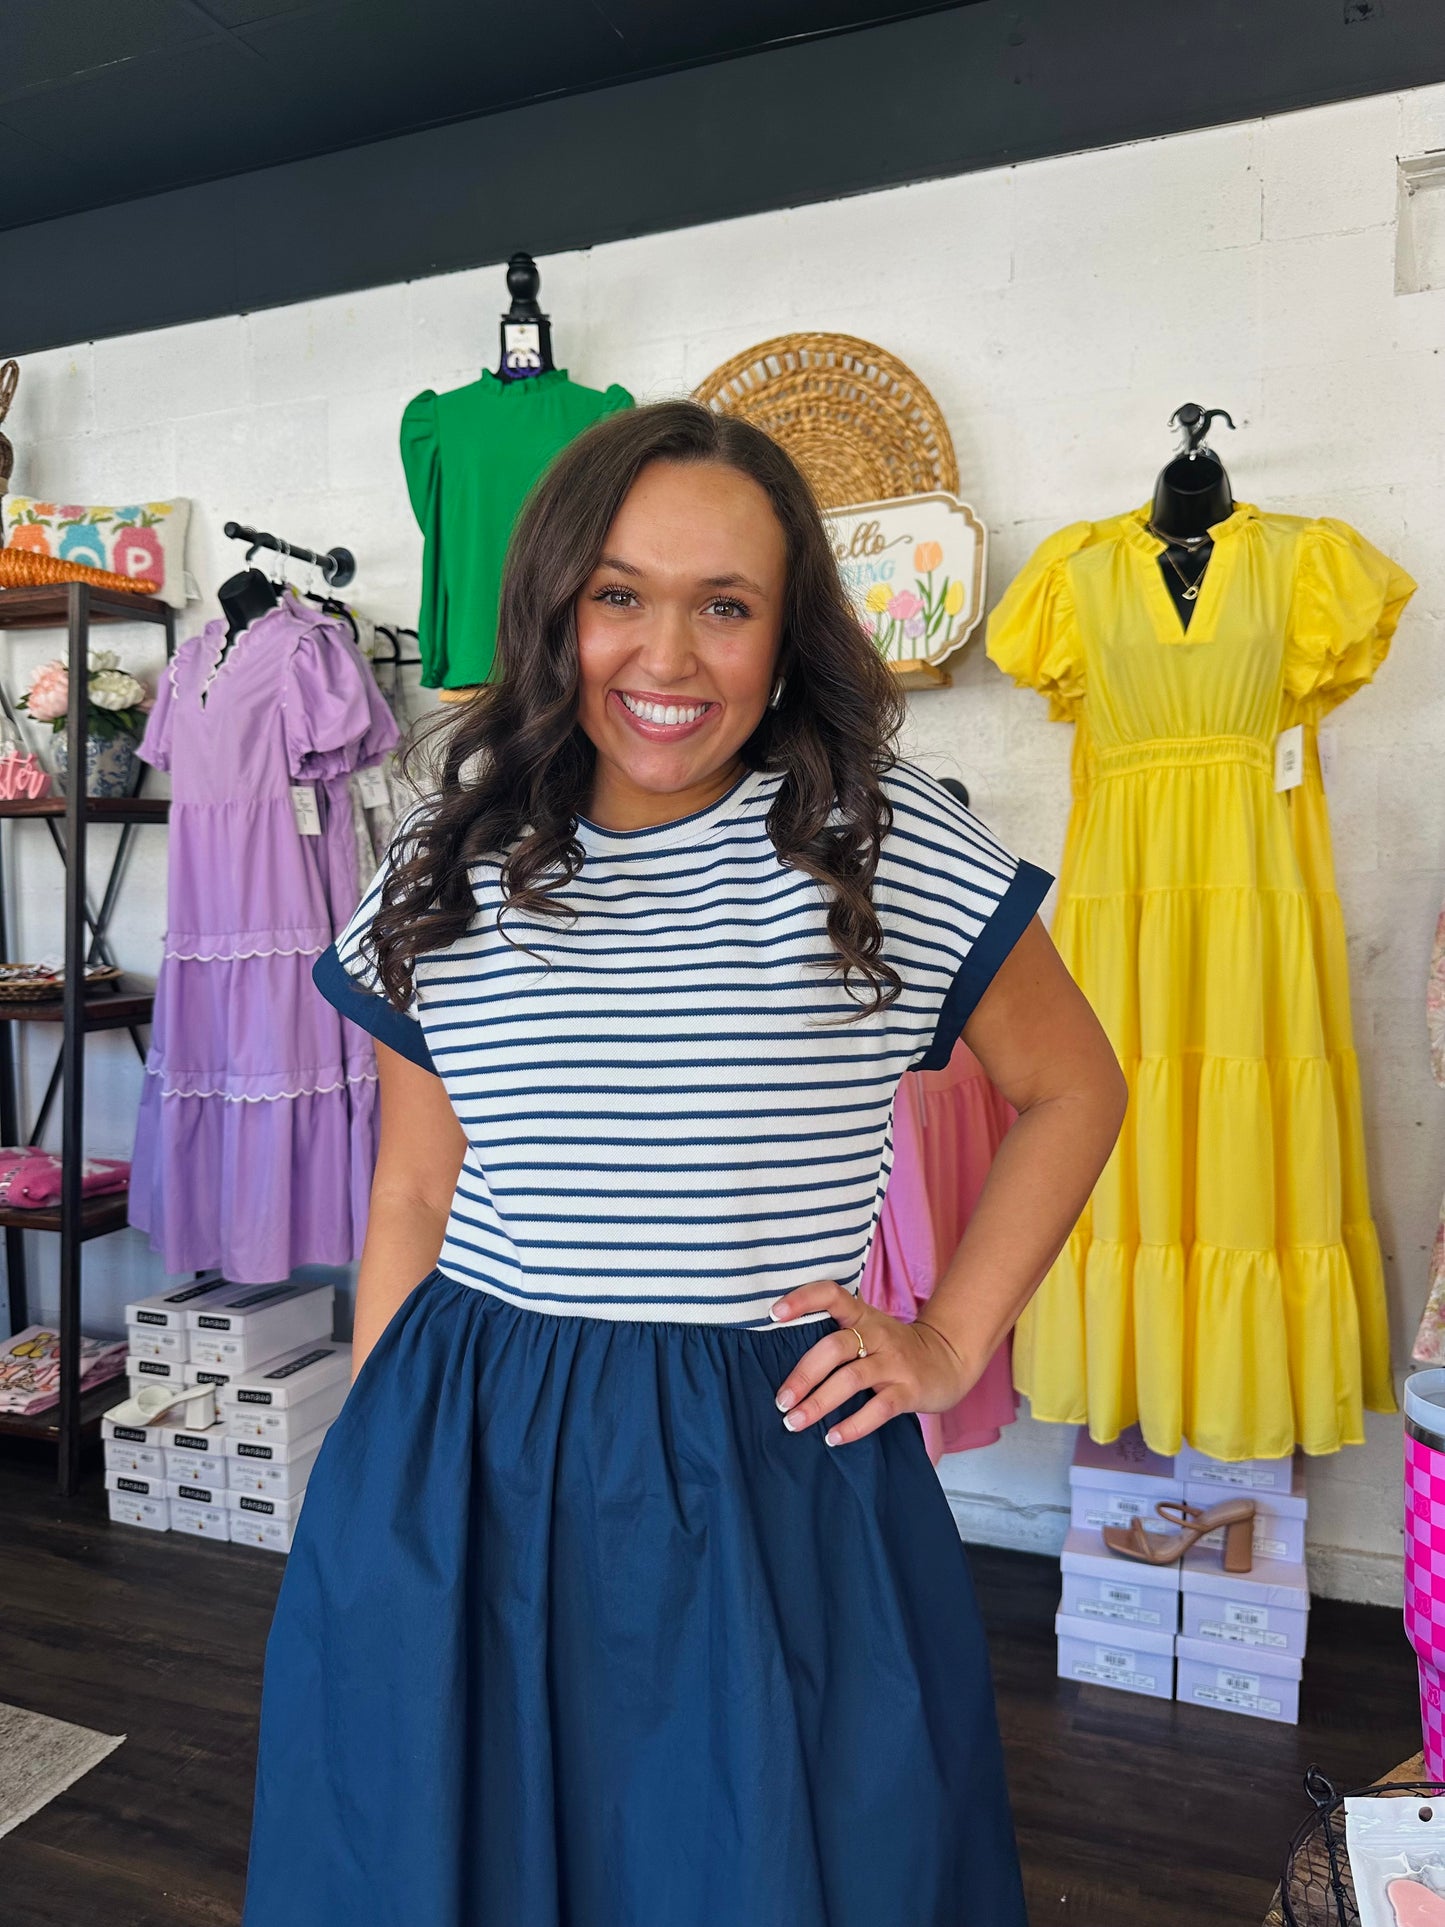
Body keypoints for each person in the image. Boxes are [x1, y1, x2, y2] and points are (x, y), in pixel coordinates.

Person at [240, 400, 1127, 1927]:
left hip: (762, 1447)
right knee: (460, 1851)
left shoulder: (879, 841)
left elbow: (1073, 1089)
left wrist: (944, 1339)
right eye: (619, 598)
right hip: (472, 1437)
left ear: (787, 638)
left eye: (725, 606)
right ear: (554, 612)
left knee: (774, 1859)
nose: (665, 658)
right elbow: (409, 1189)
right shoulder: (442, 866)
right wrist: (374, 1475)